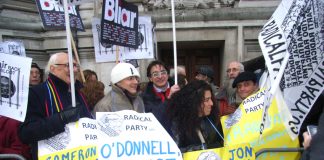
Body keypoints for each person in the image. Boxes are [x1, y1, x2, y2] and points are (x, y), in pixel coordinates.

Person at [18, 52, 93, 160]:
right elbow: (26, 133)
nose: (75, 70)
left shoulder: (78, 92)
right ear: (53, 68)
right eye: (69, 66)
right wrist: (61, 118)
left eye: (76, 66)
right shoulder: (37, 93)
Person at [167, 80, 223, 152]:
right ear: (194, 102)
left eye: (211, 99)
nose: (211, 103)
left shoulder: (214, 120)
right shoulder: (178, 124)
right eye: (206, 100)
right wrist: (199, 149)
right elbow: (173, 152)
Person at [141, 60, 180, 134]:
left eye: (163, 72)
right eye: (155, 74)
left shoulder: (180, 90)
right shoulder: (144, 98)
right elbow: (154, 119)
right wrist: (169, 99)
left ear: (168, 75)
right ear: (150, 78)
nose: (160, 76)